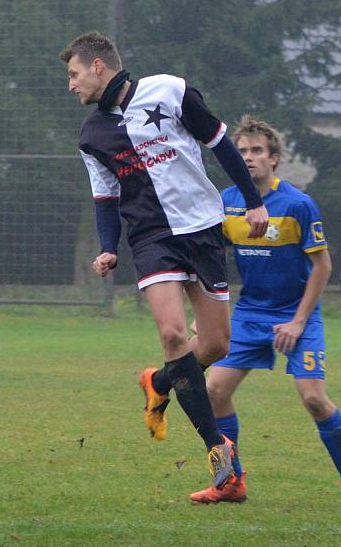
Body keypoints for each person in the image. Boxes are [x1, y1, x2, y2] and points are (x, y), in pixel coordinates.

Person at [60, 32, 269, 492]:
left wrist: (254, 201)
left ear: (99, 66)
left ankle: (158, 380)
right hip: (152, 238)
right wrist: (108, 245)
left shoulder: (170, 90)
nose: (70, 85)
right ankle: (217, 448)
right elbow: (104, 197)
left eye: (74, 74)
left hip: (203, 227)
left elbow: (221, 145)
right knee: (174, 334)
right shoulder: (91, 135)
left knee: (214, 344)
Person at [186, 115, 341, 509]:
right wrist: (206, 313)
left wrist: (298, 321)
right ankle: (229, 482)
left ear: (274, 159)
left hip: (297, 314)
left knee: (313, 400)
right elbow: (208, 259)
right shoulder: (226, 203)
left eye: (257, 151)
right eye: (241, 151)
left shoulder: (298, 204)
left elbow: (323, 267)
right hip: (250, 313)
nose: (248, 157)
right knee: (213, 390)